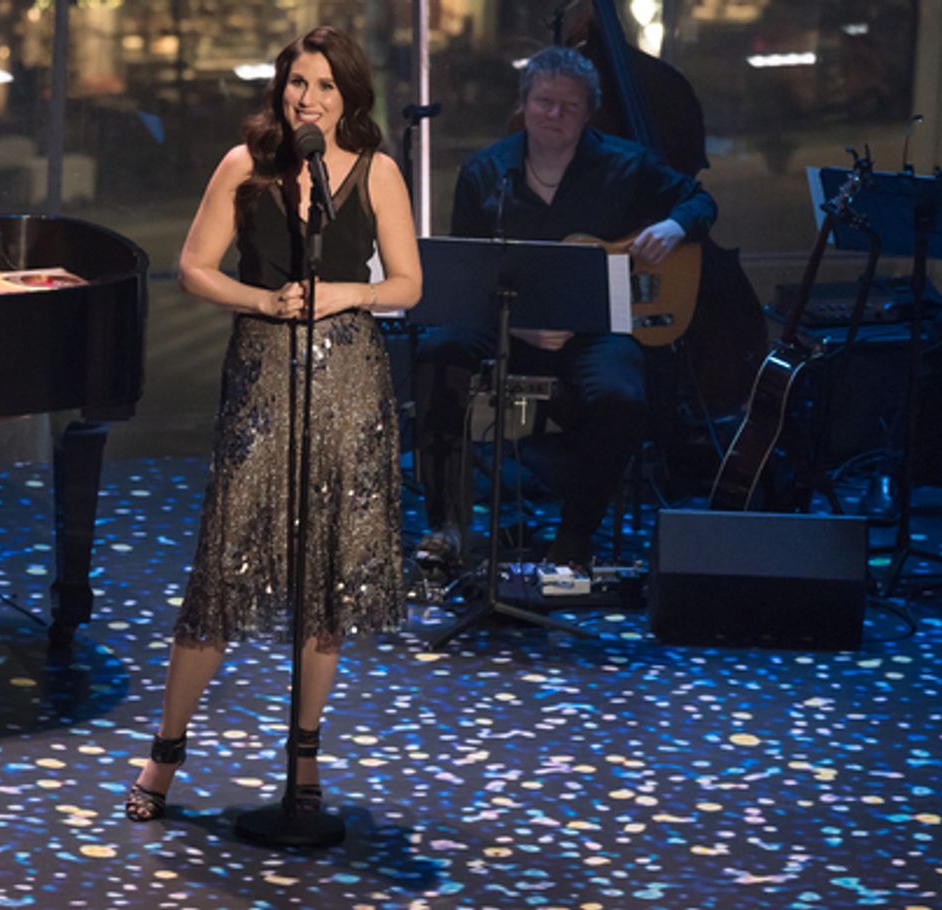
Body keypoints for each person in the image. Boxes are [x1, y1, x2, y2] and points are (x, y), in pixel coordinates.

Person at [124, 25, 422, 823]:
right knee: (226, 565)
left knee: (328, 577)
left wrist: (347, 295)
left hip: (351, 380)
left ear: (348, 95)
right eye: (298, 82)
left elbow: (407, 284)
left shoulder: (378, 172)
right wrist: (265, 302)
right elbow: (193, 266)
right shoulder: (244, 166)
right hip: (261, 374)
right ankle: (166, 752)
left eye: (325, 85)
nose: (309, 98)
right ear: (279, 88)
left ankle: (304, 756)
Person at [412, 45, 717, 572]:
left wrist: (674, 225)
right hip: (508, 325)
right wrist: (522, 329)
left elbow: (700, 201)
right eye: (544, 102)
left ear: (587, 112)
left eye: (568, 106)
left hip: (594, 328)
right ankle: (448, 527)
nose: (554, 115)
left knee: (621, 393)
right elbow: (467, 275)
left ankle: (575, 537)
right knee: (439, 354)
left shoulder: (626, 165)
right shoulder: (486, 173)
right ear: (524, 104)